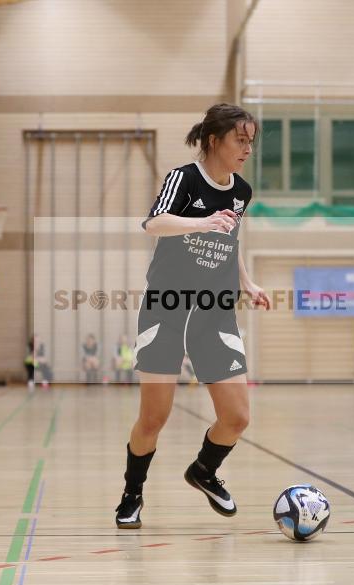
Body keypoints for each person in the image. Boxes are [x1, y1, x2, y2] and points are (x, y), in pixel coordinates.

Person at [115, 103, 271, 529]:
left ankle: (203, 471)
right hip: (166, 309)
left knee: (237, 417)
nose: (246, 149)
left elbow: (230, 240)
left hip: (215, 313)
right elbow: (153, 224)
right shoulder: (183, 179)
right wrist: (201, 223)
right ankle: (132, 494)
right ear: (214, 140)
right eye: (240, 140)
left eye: (250, 142)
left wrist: (247, 283)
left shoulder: (242, 191)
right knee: (154, 417)